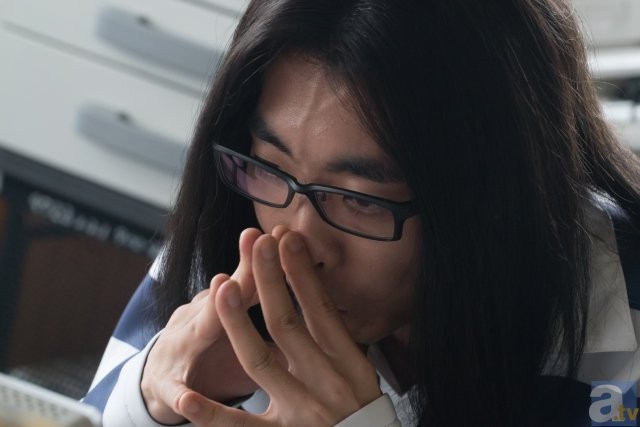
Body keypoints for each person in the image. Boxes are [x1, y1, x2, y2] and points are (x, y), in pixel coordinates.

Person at [83, 0, 640, 426]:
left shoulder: (624, 330)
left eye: (359, 198)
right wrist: (150, 398)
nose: (296, 245)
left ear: (494, 197)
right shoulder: (241, 228)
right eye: (270, 164)